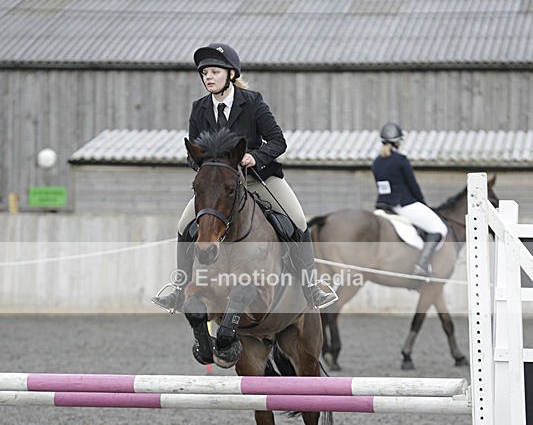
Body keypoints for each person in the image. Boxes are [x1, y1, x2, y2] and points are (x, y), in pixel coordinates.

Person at [152, 42, 337, 312]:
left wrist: (254, 157)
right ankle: (180, 288)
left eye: (214, 72)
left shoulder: (252, 103)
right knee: (183, 225)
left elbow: (278, 141)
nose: (208, 78)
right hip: (219, 186)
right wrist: (205, 167)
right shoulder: (200, 108)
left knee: (297, 220)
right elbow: (193, 153)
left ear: (231, 74)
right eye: (205, 73)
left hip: (257, 178)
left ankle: (311, 288)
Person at [372, 122, 448, 278]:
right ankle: (421, 266)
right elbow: (413, 186)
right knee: (439, 228)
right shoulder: (400, 160)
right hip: (403, 204)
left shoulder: (376, 162)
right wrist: (423, 204)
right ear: (397, 141)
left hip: (383, 205)